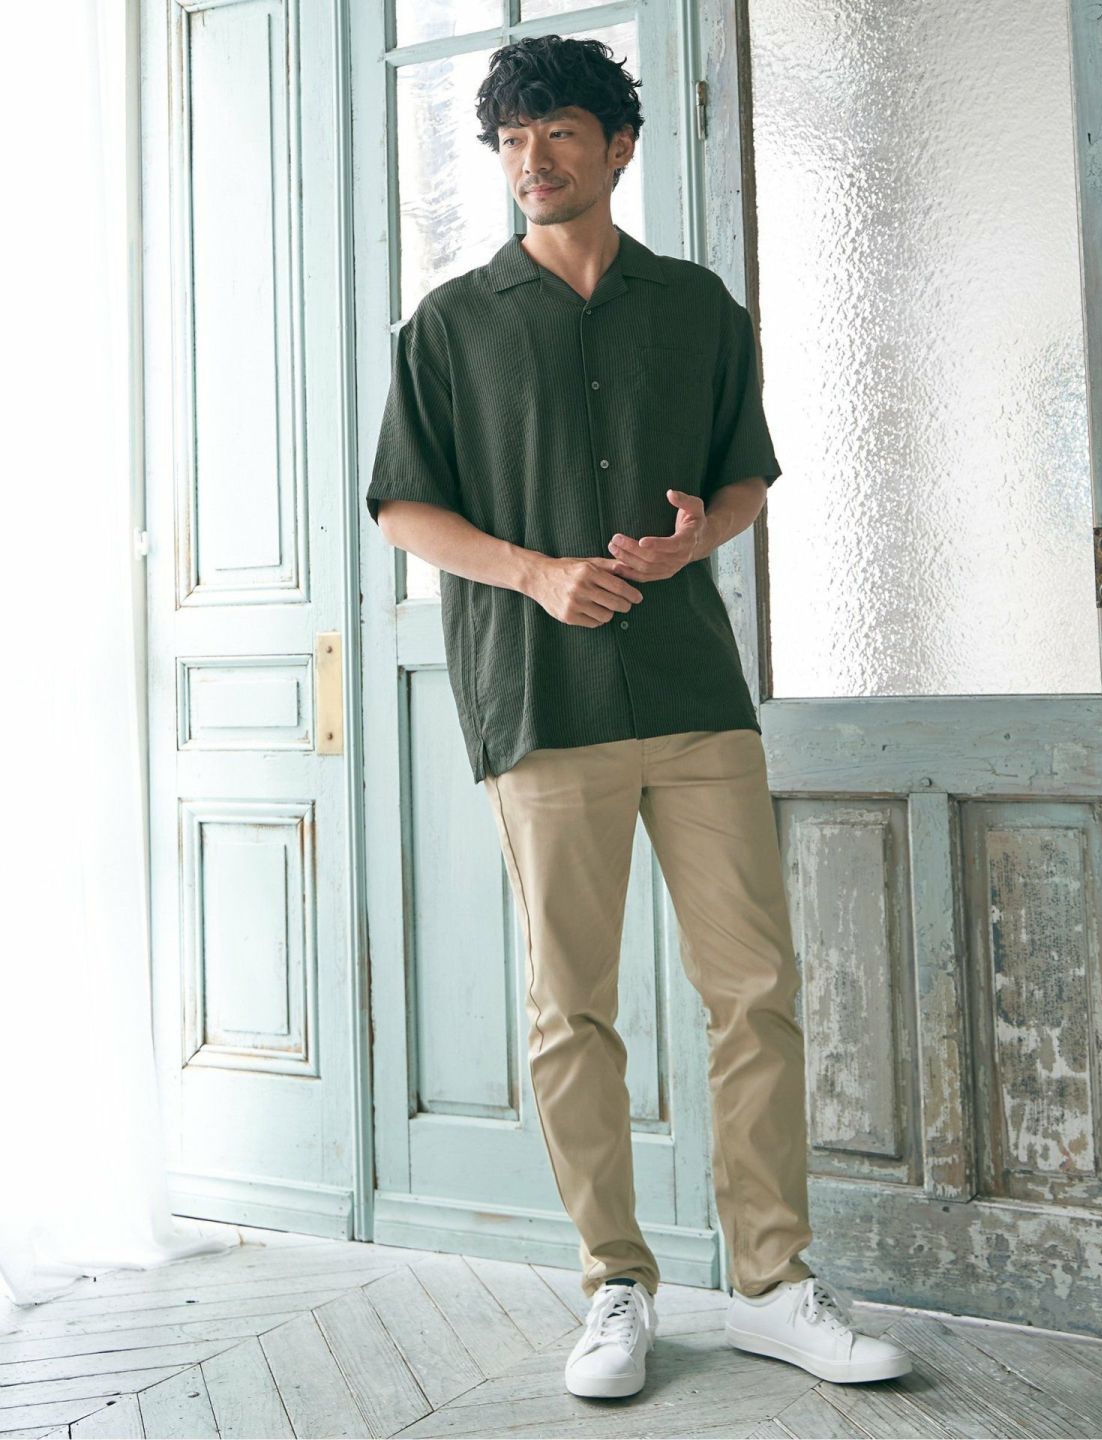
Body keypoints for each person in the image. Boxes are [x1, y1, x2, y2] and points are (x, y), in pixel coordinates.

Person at [366, 32, 911, 1402]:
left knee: (755, 992)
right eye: (510, 140)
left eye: (557, 132)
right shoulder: (450, 324)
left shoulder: (698, 306)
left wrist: (695, 540)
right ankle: (615, 1284)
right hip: (542, 701)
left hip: (691, 692)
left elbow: (743, 477)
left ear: (618, 146)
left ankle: (773, 1285)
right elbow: (405, 508)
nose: (530, 160)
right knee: (574, 1008)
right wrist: (537, 572)